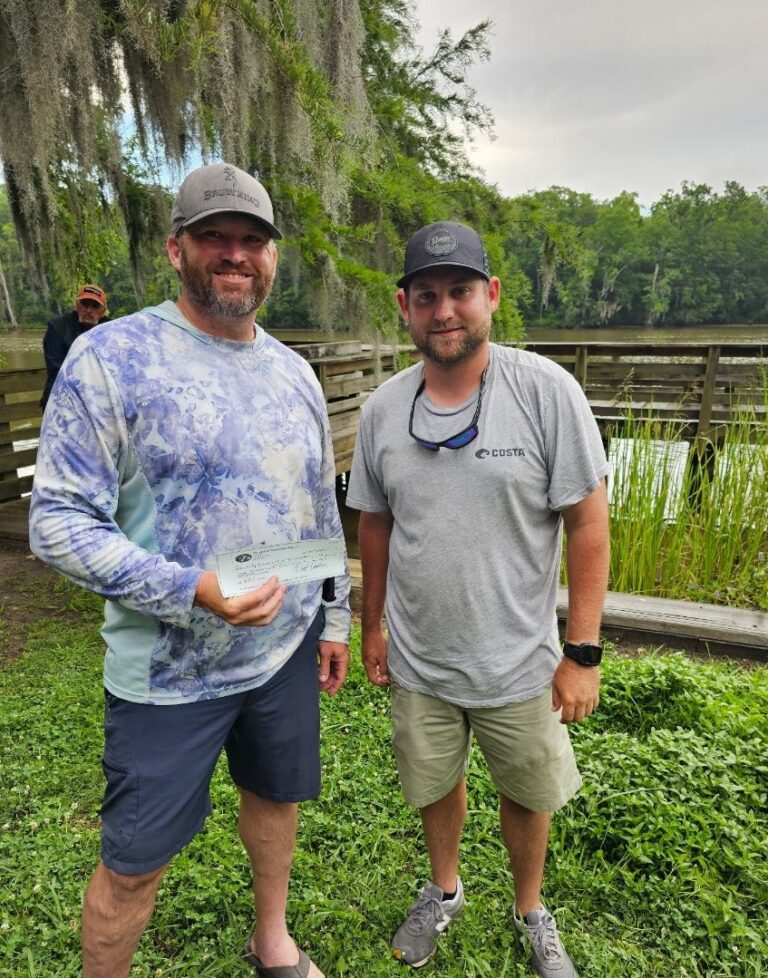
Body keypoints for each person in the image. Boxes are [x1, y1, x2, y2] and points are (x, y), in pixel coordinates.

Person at [29, 162, 351, 978]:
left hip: (280, 653)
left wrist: (334, 616)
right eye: (215, 237)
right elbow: (57, 521)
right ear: (176, 250)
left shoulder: (294, 375)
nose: (235, 255)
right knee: (134, 860)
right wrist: (190, 592)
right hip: (166, 674)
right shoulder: (110, 358)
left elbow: (317, 510)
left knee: (275, 799)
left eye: (253, 240)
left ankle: (270, 938)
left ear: (273, 258)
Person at [346, 221, 609, 978]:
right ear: (404, 306)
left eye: (460, 291)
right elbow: (375, 525)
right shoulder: (382, 411)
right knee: (436, 781)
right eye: (425, 296)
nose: (444, 311)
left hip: (520, 658)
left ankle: (531, 908)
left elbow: (588, 520)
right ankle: (445, 889)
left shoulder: (545, 391)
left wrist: (581, 651)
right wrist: (374, 627)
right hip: (423, 657)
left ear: (490, 294)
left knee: (527, 791)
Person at [40, 283, 109, 409]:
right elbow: (56, 370)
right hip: (60, 401)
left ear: (103, 311)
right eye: (85, 304)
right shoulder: (58, 327)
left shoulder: (110, 329)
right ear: (77, 305)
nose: (89, 310)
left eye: (95, 306)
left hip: (98, 402)